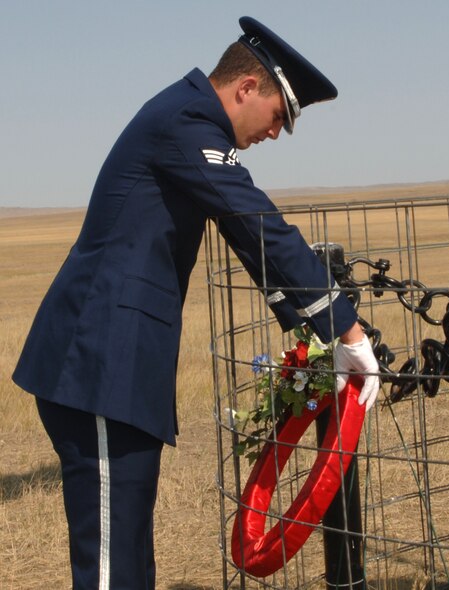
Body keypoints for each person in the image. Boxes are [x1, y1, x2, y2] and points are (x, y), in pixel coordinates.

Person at [12, 16, 380, 590]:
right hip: (99, 366)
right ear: (246, 89)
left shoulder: (186, 123)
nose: (277, 133)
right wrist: (349, 331)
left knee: (129, 553)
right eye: (280, 116)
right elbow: (260, 220)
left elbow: (248, 238)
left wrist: (323, 330)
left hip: (117, 371)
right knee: (113, 564)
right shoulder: (187, 122)